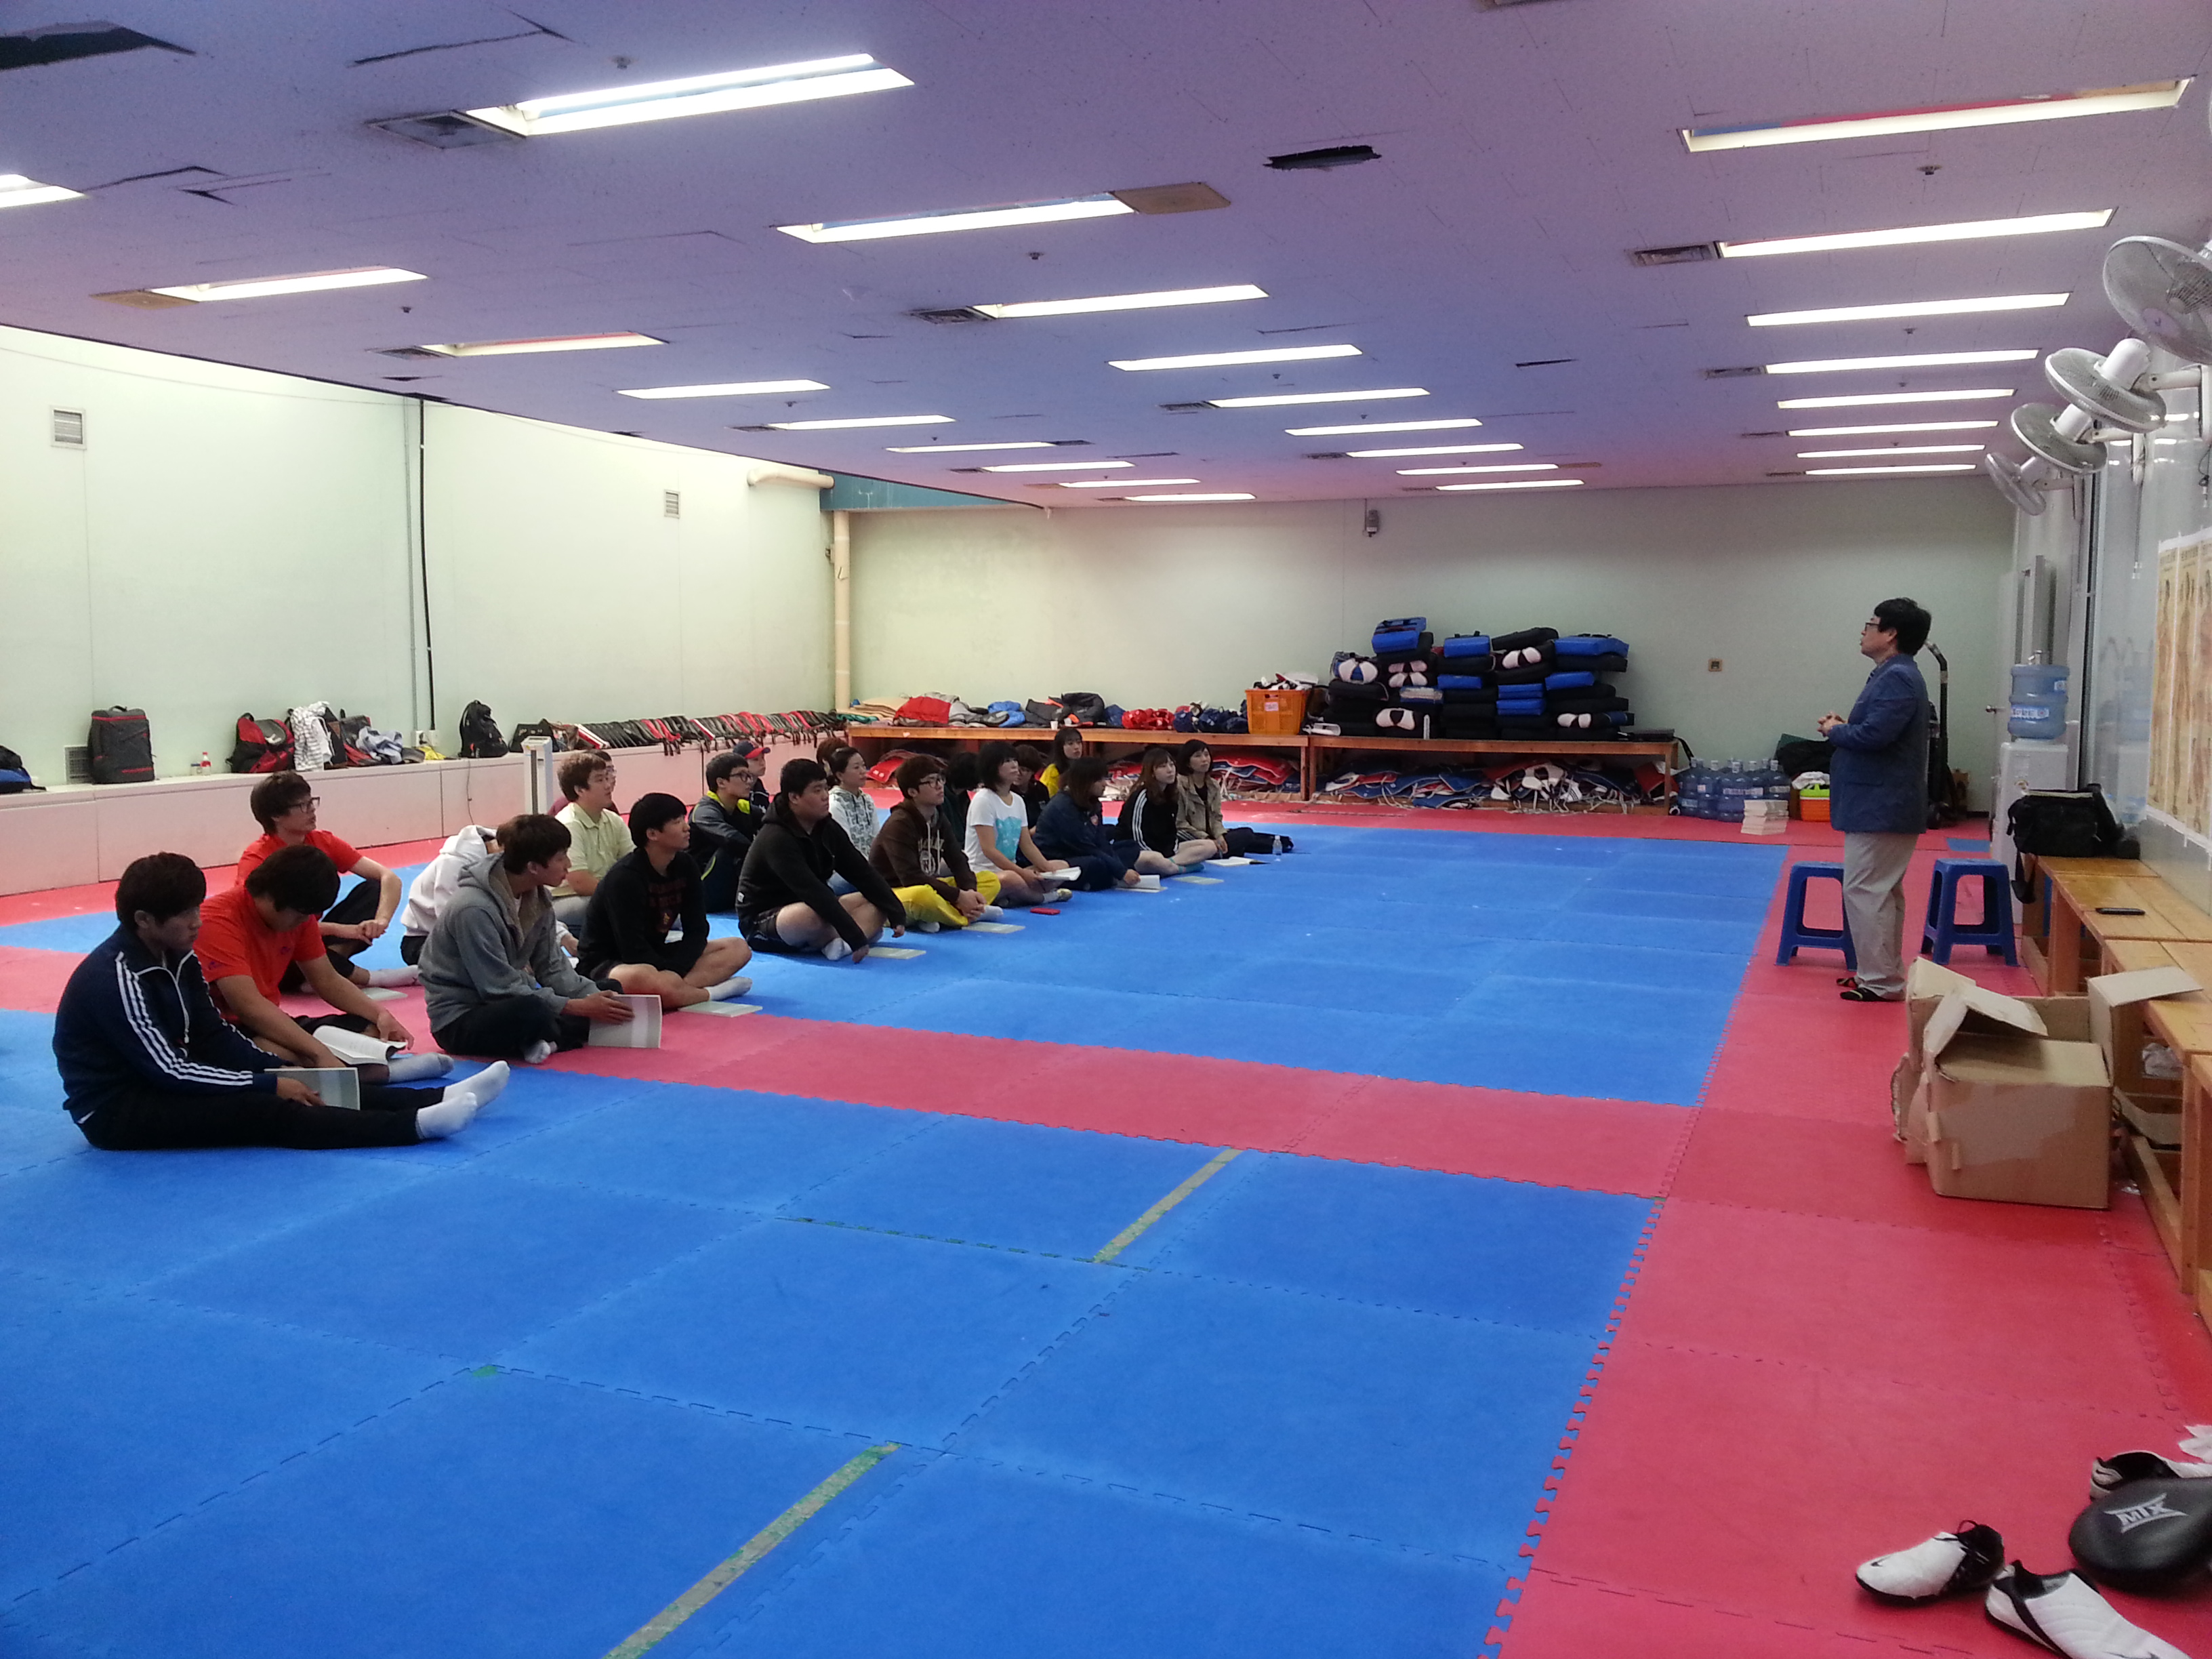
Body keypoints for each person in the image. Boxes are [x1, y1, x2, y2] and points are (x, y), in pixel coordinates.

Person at [51, 853, 502, 1150]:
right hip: (118, 1109)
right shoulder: (118, 977)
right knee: (267, 1108)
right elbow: (169, 1070)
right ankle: (415, 1126)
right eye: (184, 915)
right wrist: (267, 1085)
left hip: (165, 1081)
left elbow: (212, 1034)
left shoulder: (178, 956)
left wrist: (276, 1072)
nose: (195, 923)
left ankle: (434, 1097)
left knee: (300, 1080)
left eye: (196, 909)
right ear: (144, 920)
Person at [194, 844, 446, 1079]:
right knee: (282, 1055)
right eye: (301, 915)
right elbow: (248, 1007)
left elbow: (326, 979)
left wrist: (381, 1014)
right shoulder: (218, 921)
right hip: (225, 1027)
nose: (305, 923)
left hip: (268, 1018)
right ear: (271, 898)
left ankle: (354, 1071)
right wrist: (318, 1053)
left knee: (370, 1029)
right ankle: (376, 1076)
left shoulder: (298, 916)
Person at [421, 813, 635, 1061]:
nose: (568, 864)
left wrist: (592, 996)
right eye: (560, 858)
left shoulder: (537, 896)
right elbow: (498, 988)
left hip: (507, 999)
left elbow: (552, 967)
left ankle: (545, 1039)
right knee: (533, 1011)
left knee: (609, 990)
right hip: (462, 1016)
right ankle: (548, 1037)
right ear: (533, 867)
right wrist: (576, 1007)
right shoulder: (473, 909)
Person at [1818, 597, 1933, 1004]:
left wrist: (1835, 731)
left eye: (1870, 625)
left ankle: (1881, 981)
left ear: (1890, 634)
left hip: (1883, 805)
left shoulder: (1898, 677)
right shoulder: (1891, 674)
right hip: (1881, 802)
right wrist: (1844, 729)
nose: (1863, 632)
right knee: (1880, 892)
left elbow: (1874, 736)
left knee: (1867, 890)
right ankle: (1880, 974)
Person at [235, 771, 417, 991]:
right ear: (276, 816)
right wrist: (341, 930)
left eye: (311, 802)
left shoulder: (322, 841)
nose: (312, 810)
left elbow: (389, 878)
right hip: (278, 945)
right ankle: (369, 977)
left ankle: (324, 970)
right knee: (293, 940)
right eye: (302, 806)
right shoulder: (257, 859)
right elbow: (265, 924)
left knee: (374, 889)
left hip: (314, 936)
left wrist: (380, 921)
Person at [578, 792, 754, 1007]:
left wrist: (676, 969)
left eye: (683, 819)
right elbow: (632, 950)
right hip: (610, 963)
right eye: (677, 822)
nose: (687, 827)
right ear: (653, 834)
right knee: (643, 976)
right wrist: (668, 971)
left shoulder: (686, 865)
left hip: (657, 953)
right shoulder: (625, 878)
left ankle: (674, 993)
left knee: (738, 948)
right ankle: (710, 993)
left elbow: (697, 930)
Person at [737, 758, 907, 961]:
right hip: (766, 921)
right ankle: (854, 935)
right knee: (810, 916)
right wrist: (855, 935)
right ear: (794, 797)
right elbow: (812, 891)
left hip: (812, 906)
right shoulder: (775, 838)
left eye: (826, 788)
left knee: (876, 900)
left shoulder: (826, 826)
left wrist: (896, 912)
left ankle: (838, 945)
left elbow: (862, 871)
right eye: (817, 790)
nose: (826, 796)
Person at [869, 755, 1004, 930]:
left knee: (990, 880)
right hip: (896, 892)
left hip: (928, 884)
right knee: (923, 895)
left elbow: (958, 860)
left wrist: (969, 891)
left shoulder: (938, 818)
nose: (939, 786)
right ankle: (966, 916)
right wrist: (958, 897)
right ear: (913, 792)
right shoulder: (899, 823)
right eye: (931, 781)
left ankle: (942, 914)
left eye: (940, 779)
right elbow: (910, 878)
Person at [965, 741, 1074, 907]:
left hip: (1011, 870)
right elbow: (989, 850)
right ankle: (1042, 898)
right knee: (1012, 879)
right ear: (992, 767)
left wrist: (1047, 868)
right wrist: (1022, 873)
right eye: (1007, 761)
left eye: (1014, 760)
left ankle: (1011, 898)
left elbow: (1027, 844)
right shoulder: (983, 800)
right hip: (983, 874)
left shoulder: (1017, 801)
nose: (1015, 765)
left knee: (1061, 866)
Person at [1034, 757, 1145, 890]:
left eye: (1105, 778)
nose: (1105, 784)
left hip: (1084, 852)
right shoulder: (1063, 807)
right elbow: (1084, 846)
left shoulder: (1094, 803)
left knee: (1130, 846)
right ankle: (1098, 879)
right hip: (1062, 855)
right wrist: (1121, 871)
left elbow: (1101, 841)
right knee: (1095, 863)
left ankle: (1104, 877)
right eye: (1099, 780)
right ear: (1085, 782)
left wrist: (1120, 869)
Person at [549, 751, 629, 929]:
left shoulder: (613, 820)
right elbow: (581, 883)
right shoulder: (569, 824)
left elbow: (635, 863)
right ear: (580, 790)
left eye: (607, 777)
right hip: (566, 899)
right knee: (622, 907)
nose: (608, 785)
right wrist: (626, 893)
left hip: (601, 893)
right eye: (600, 780)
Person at [397, 823, 497, 966]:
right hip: (424, 941)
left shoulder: (496, 856)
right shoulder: (454, 864)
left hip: (473, 934)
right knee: (483, 965)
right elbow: (450, 920)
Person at [1176, 740, 1292, 857]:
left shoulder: (1213, 785)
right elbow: (1180, 824)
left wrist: (1219, 836)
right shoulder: (1179, 787)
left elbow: (1216, 817)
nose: (1204, 759)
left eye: (1206, 755)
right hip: (1191, 837)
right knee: (1241, 841)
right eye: (1198, 756)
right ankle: (1216, 851)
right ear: (1187, 763)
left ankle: (1222, 850)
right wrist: (1206, 839)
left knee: (1246, 833)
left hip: (1210, 835)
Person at [690, 747, 770, 912]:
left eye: (749, 775)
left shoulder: (743, 807)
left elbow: (773, 824)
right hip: (703, 892)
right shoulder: (704, 811)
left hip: (729, 886)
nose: (749, 781)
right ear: (721, 782)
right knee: (729, 849)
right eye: (742, 775)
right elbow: (730, 838)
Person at [1118, 747, 1214, 874]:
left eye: (1172, 765)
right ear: (1152, 772)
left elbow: (1172, 831)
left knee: (1210, 846)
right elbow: (1136, 835)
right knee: (1153, 859)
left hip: (1165, 851)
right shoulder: (1142, 796)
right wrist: (1158, 855)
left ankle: (1169, 866)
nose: (1170, 770)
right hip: (1137, 850)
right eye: (1163, 767)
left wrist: (1171, 852)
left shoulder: (1171, 795)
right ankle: (1178, 868)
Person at [825, 745, 880, 859]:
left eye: (863, 766)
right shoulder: (835, 803)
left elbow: (877, 838)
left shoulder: (867, 800)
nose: (863, 771)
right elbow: (844, 847)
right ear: (840, 775)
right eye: (856, 767)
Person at [1038, 724, 1086, 798]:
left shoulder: (1084, 767)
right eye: (1070, 744)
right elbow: (1051, 798)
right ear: (1060, 747)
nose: (1076, 747)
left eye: (1079, 742)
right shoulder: (1053, 771)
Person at [1013, 744, 1052, 826]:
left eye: (1023, 770)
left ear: (1033, 772)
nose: (1018, 773)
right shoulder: (1006, 791)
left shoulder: (1041, 789)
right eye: (1015, 768)